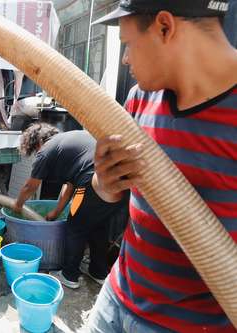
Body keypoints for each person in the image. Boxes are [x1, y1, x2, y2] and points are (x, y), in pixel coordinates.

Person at [87, 1, 237, 332]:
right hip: (116, 297)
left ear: (164, 27)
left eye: (128, 44)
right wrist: (106, 182)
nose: (126, 59)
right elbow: (111, 193)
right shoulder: (141, 98)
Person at [14, 123, 126, 289]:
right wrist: (56, 211)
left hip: (92, 183)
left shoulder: (46, 150)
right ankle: (99, 272)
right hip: (121, 183)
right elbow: (70, 185)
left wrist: (18, 204)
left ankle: (69, 275)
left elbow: (30, 186)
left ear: (37, 142)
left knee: (75, 227)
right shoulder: (70, 140)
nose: (37, 153)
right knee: (99, 228)